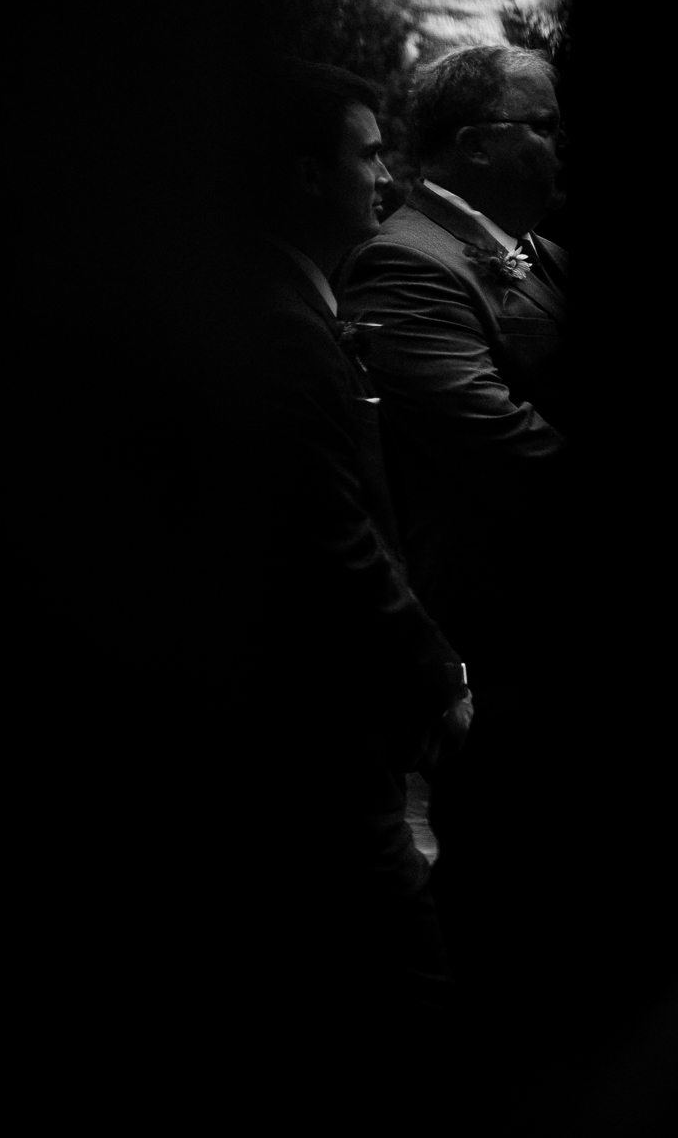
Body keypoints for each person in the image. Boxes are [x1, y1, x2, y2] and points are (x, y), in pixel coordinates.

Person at [218, 59, 472, 1111]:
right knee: (411, 996)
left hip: (337, 741)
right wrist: (437, 673)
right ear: (302, 174)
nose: (385, 175)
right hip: (323, 742)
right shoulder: (283, 329)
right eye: (366, 154)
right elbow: (336, 543)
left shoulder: (299, 308)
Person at [338, 44, 569, 1031]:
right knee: (502, 890)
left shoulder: (524, 249)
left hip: (552, 634)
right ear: (477, 145)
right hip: (496, 643)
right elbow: (505, 446)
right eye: (546, 126)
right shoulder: (407, 259)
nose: (563, 149)